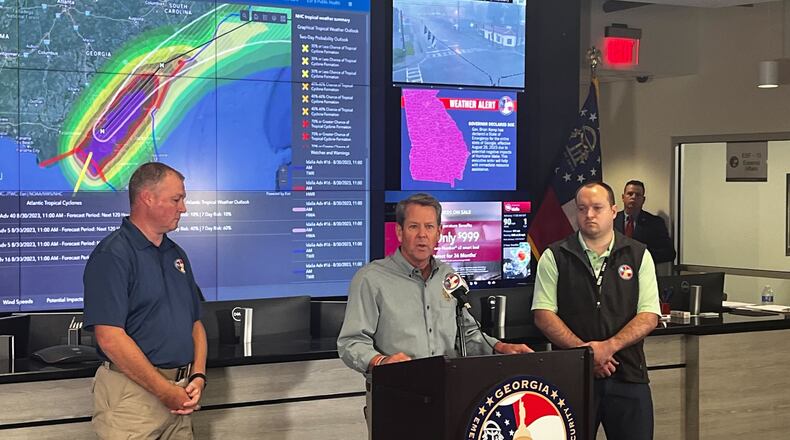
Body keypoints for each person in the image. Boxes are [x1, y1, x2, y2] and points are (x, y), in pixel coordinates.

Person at [337, 193, 532, 434]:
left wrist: (499, 348)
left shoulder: (449, 276)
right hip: (398, 399)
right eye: (413, 227)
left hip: (449, 398)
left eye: (429, 227)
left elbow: (467, 335)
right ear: (399, 232)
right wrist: (381, 362)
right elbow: (351, 342)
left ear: (439, 233)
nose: (422, 235)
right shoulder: (371, 279)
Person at [84, 162, 207, 439]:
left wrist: (198, 376)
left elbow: (195, 323)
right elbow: (110, 338)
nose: (183, 208)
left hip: (180, 395)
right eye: (176, 199)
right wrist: (165, 392)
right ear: (147, 198)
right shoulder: (112, 255)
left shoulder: (176, 254)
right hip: (132, 398)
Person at [532, 182, 660, 440]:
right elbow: (543, 315)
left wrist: (608, 347)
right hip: (573, 379)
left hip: (628, 376)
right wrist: (587, 354)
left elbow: (649, 316)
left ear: (613, 211)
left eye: (597, 208)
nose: (589, 214)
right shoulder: (555, 255)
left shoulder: (638, 254)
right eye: (582, 209)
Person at [614, 180, 676, 265]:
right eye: (630, 194)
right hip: (614, 270)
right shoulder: (611, 220)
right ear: (623, 197)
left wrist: (641, 255)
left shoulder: (655, 223)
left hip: (643, 269)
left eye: (638, 195)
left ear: (643, 200)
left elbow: (669, 253)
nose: (633, 197)